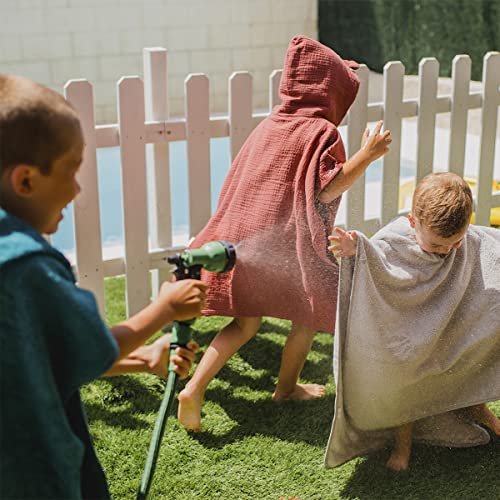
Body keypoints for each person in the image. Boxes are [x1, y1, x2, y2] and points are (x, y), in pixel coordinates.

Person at [0, 74, 207, 499]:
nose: (77, 189)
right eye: (72, 170)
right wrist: (165, 309)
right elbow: (86, 346)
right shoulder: (22, 267)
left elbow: (42, 359)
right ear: (24, 181)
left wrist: (145, 359)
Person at [177, 35, 392, 432]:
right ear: (330, 93)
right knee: (305, 317)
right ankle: (287, 388)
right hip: (286, 248)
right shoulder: (321, 133)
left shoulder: (270, 125)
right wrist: (367, 154)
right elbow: (326, 188)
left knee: (244, 325)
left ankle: (193, 390)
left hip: (243, 243)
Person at [329, 172, 500, 471]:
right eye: (436, 246)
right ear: (412, 222)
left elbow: (489, 251)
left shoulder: (462, 236)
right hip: (410, 337)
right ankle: (402, 448)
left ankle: (481, 412)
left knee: (472, 356)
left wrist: (459, 245)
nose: (447, 251)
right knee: (403, 384)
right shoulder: (395, 239)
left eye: (455, 243)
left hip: (448, 331)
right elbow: (377, 257)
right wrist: (357, 248)